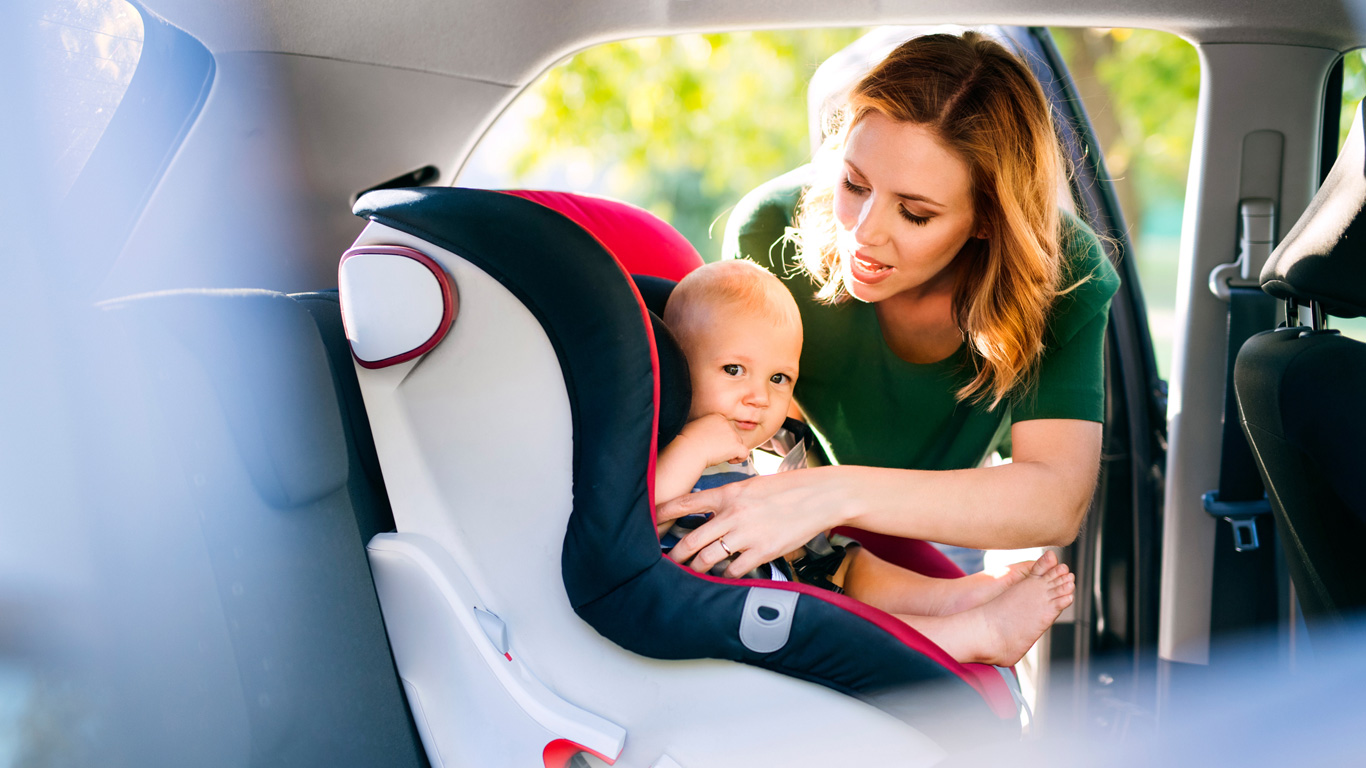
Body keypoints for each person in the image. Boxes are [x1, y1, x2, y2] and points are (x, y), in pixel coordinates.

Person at [658, 31, 1121, 585]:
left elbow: (1054, 499)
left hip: (952, 513)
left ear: (987, 219)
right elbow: (743, 420)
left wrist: (832, 495)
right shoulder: (769, 233)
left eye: (916, 215)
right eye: (854, 184)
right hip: (801, 502)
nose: (863, 233)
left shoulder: (1062, 274)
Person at [656, 260, 1075, 666]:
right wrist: (693, 447)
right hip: (740, 613)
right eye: (734, 369)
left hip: (783, 577)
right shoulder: (663, 442)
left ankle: (953, 598)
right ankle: (977, 634)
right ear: (677, 366)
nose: (759, 397)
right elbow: (634, 522)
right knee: (828, 621)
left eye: (778, 378)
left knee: (845, 560)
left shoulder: (752, 446)